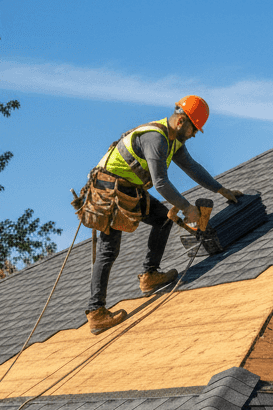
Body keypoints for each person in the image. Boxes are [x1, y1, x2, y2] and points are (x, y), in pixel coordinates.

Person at [85, 95, 242, 334]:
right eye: (193, 129)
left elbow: (192, 167)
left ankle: (149, 275)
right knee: (109, 249)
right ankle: (96, 312)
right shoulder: (155, 139)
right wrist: (188, 208)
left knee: (162, 219)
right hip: (109, 189)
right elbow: (160, 183)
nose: (194, 135)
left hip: (129, 189)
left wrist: (222, 190)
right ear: (181, 122)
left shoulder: (173, 141)